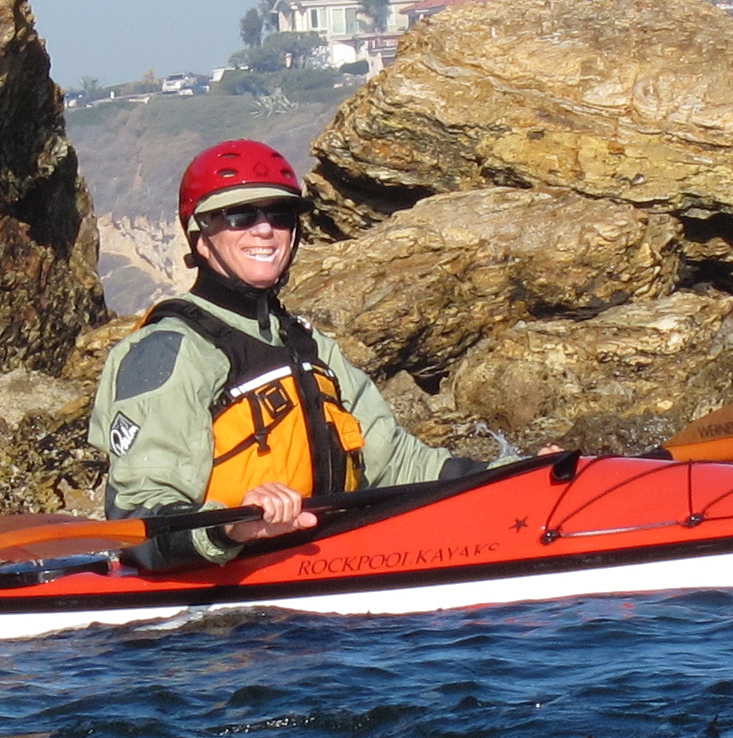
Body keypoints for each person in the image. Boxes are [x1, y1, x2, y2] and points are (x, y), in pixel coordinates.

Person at [93, 139, 479, 566]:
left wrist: (514, 474)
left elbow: (400, 463)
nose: (264, 230)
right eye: (240, 216)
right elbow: (140, 516)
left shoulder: (309, 346)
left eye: (279, 214)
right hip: (224, 595)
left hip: (327, 564)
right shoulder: (168, 350)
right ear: (201, 239)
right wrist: (231, 527)